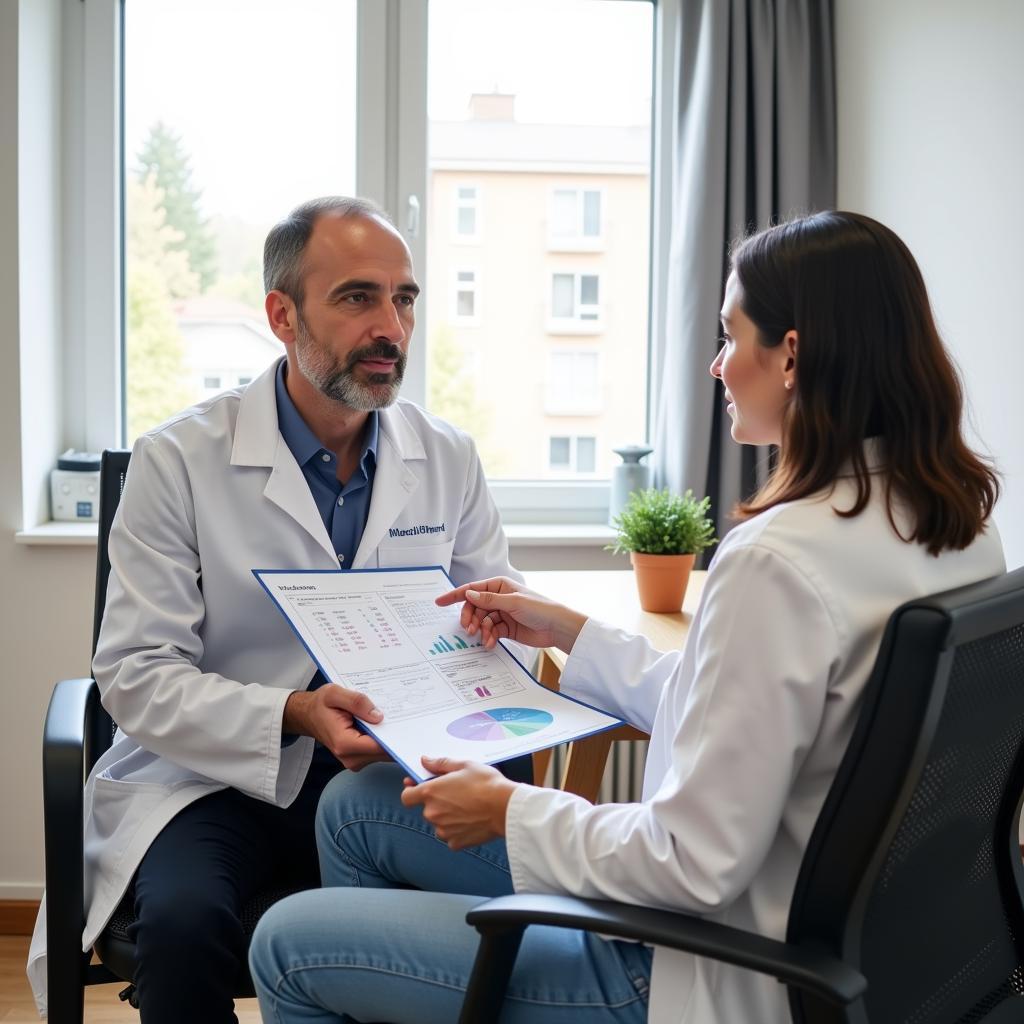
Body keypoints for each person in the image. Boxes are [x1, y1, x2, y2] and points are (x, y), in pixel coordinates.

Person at [245, 210, 1006, 1024]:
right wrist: (570, 632)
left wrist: (511, 808)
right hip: (849, 939)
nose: (717, 365)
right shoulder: (952, 526)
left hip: (695, 962)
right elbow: (749, 707)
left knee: (287, 943)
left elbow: (692, 863)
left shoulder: (778, 561)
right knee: (357, 808)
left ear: (791, 355)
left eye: (730, 334)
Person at [26, 196, 532, 1021]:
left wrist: (489, 640)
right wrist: (294, 712)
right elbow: (135, 675)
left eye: (404, 299)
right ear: (280, 314)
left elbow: (493, 635)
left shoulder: (447, 457)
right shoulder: (179, 461)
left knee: (476, 930)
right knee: (185, 928)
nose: (392, 328)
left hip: (396, 779)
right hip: (217, 777)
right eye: (358, 297)